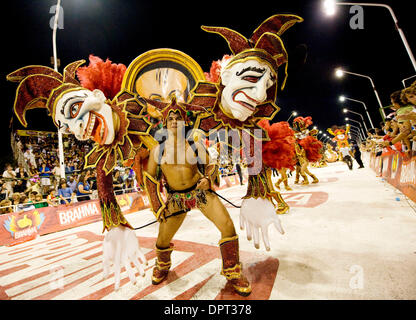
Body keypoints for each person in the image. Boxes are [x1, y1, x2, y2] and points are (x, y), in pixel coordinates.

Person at [144, 107, 251, 296]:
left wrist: (208, 180)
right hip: (175, 199)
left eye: (178, 118)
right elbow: (150, 177)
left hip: (199, 193)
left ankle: (233, 270)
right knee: (162, 240)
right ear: (165, 123)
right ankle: (162, 264)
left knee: (227, 226)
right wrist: (156, 205)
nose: (174, 121)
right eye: (171, 118)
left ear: (185, 122)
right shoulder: (157, 150)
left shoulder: (194, 145)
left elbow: (210, 165)